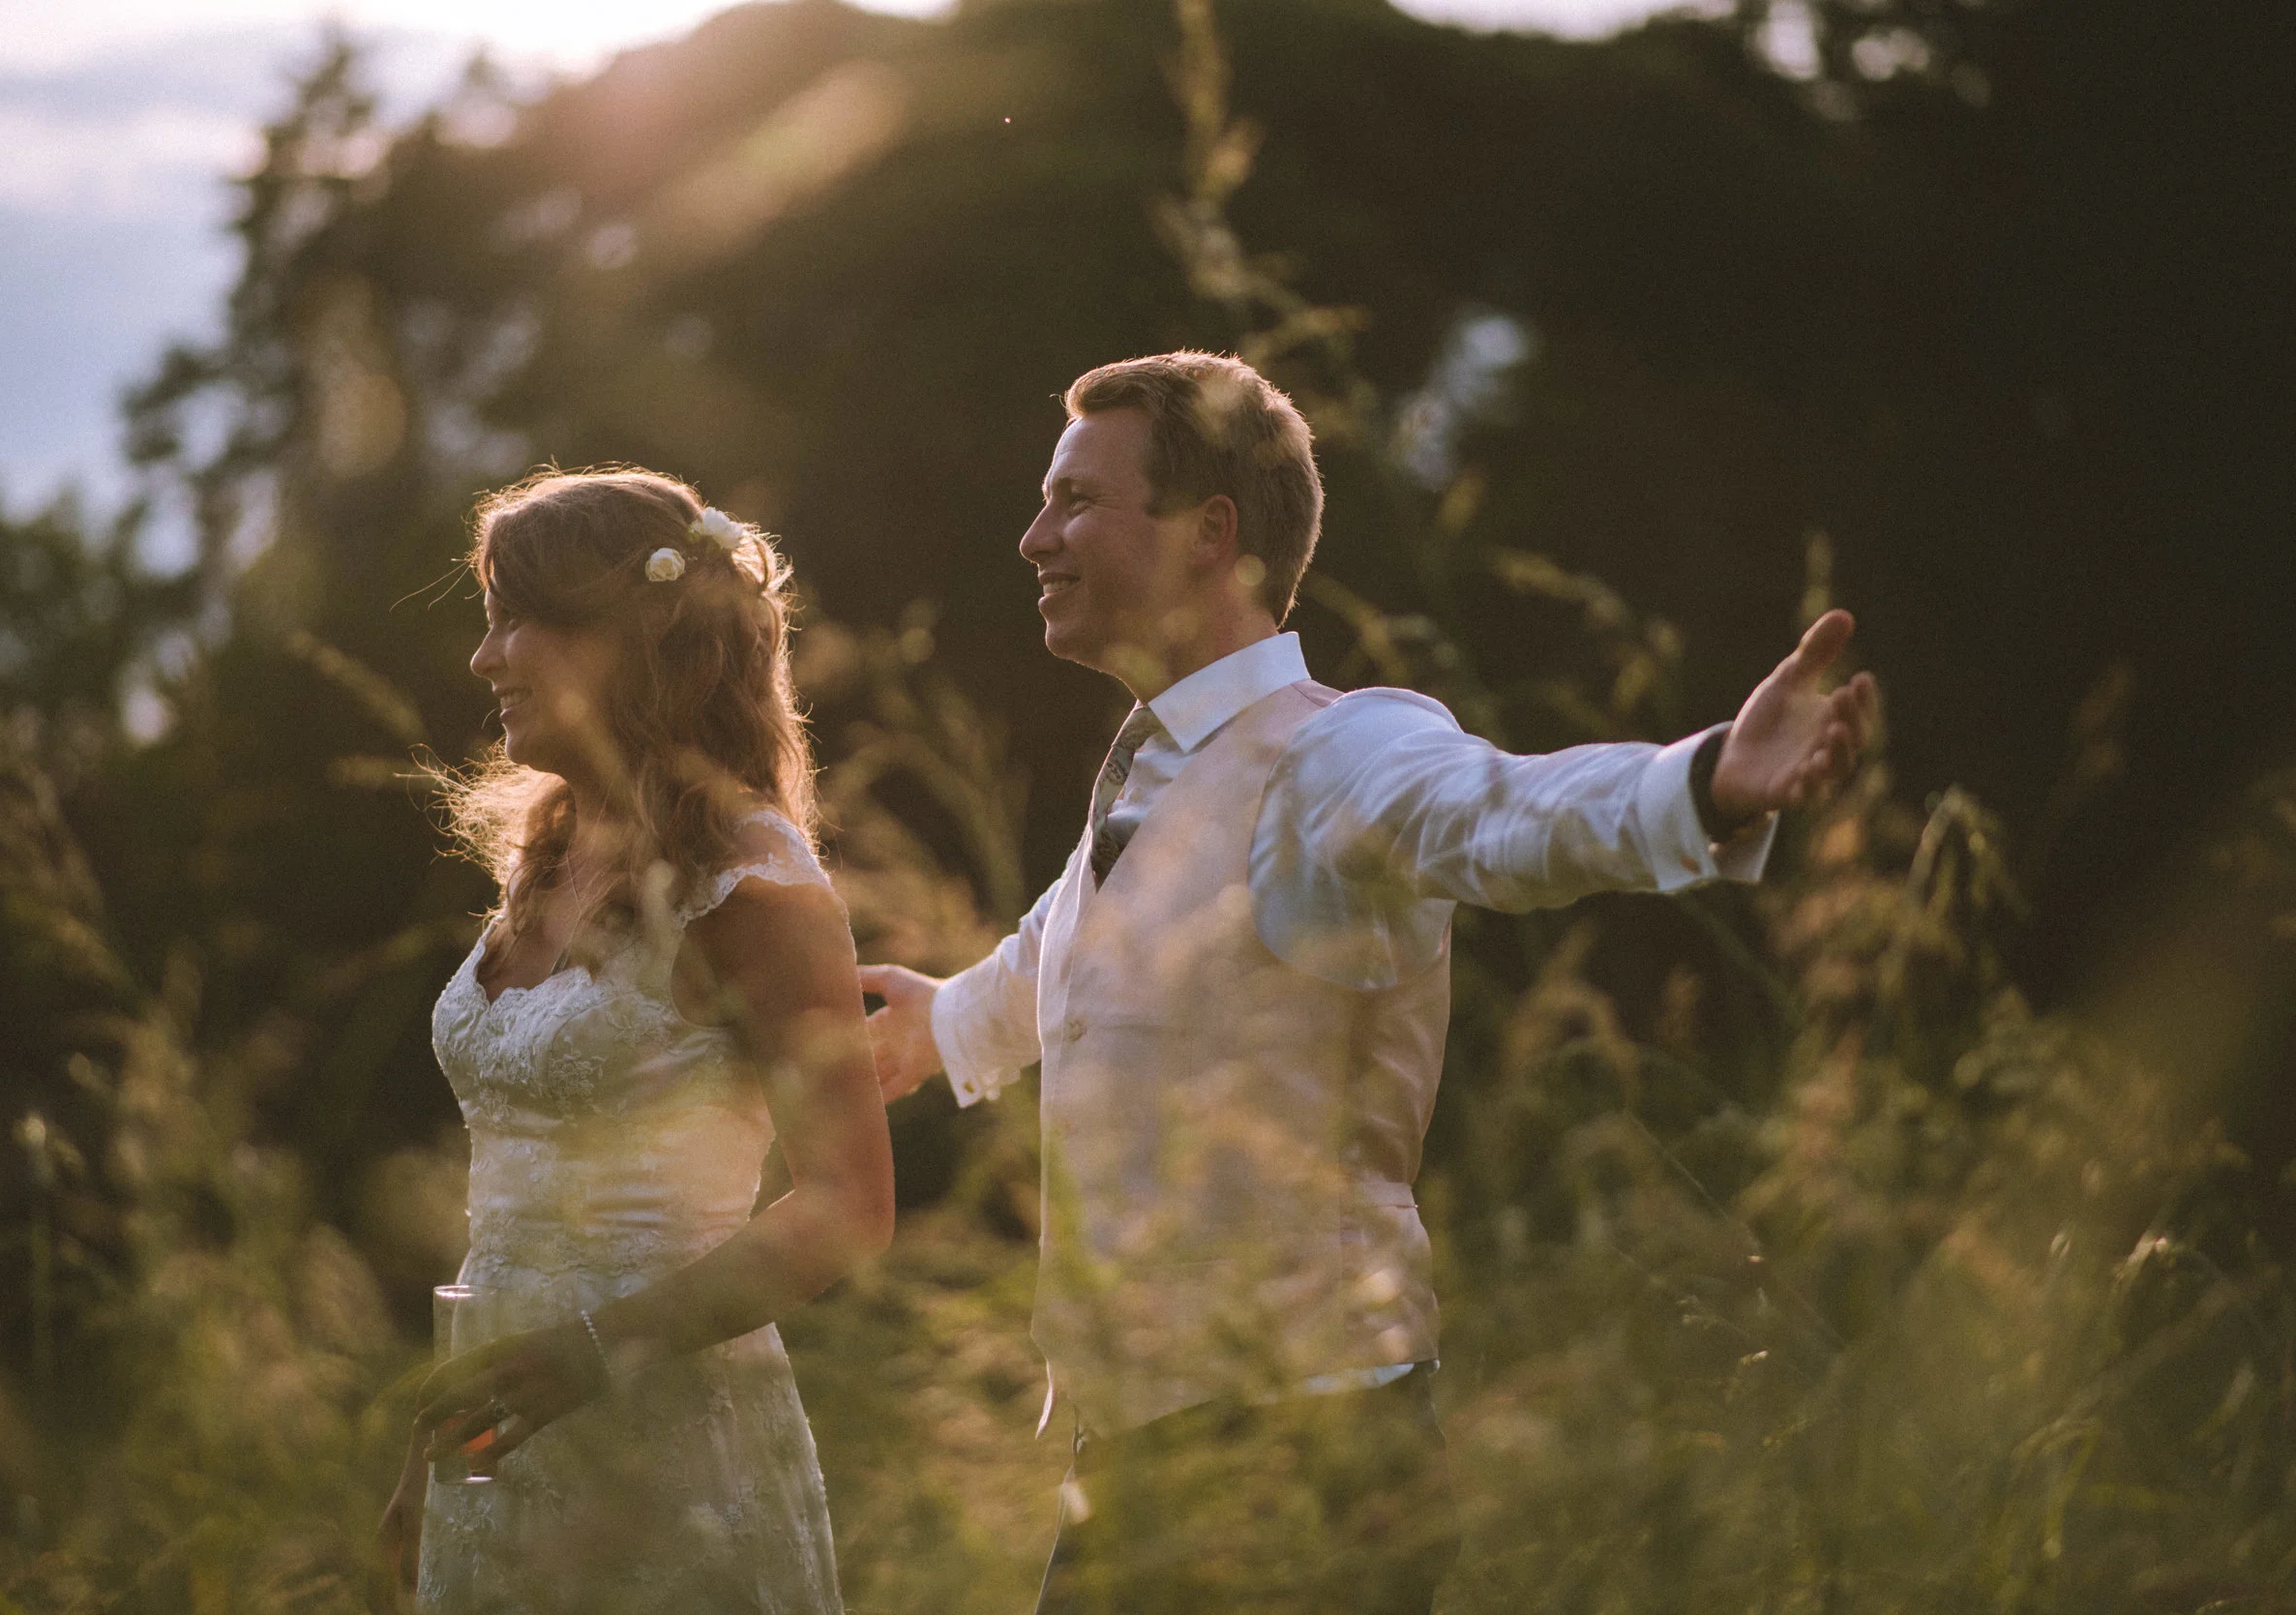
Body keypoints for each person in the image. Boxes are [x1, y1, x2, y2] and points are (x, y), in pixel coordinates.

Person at [859, 352, 1878, 1614]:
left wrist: (1703, 782)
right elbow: (1070, 953)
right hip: (1143, 1451)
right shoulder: (1156, 763)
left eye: (1076, 500)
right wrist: (946, 1020)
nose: (1034, 538)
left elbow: (1501, 813)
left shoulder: (1339, 750)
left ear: (1207, 534)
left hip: (1310, 1448)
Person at [377, 467, 893, 1614]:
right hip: (498, 1438)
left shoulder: (753, 886)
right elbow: (510, 1206)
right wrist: (434, 1451)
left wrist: (591, 1351)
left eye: (516, 620)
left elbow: (847, 1208)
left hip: (671, 1449)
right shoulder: (548, 858)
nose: (484, 658)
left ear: (632, 640)